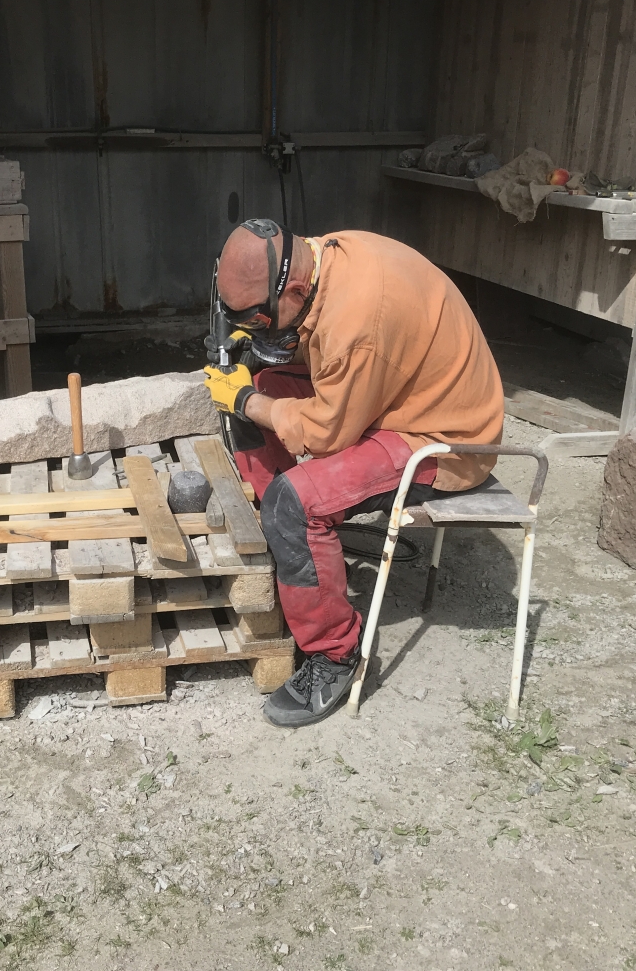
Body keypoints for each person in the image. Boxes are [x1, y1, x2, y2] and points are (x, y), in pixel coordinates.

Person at [203, 220, 504, 727]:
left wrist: (247, 401)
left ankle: (335, 655)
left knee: (295, 500)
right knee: (266, 385)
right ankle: (283, 546)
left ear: (293, 289)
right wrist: (252, 346)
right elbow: (322, 349)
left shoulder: (357, 323)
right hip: (401, 392)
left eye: (256, 317)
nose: (254, 328)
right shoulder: (325, 258)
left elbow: (326, 434)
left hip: (444, 438)